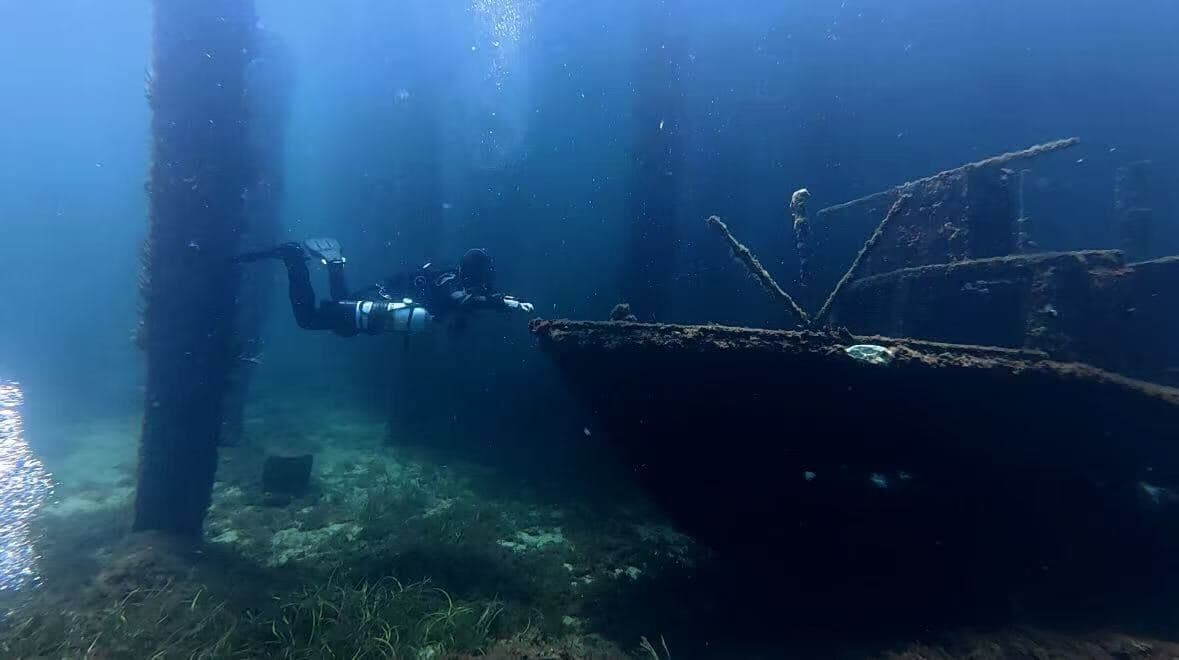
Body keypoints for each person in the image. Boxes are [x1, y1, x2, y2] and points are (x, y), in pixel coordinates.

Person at [236, 238, 534, 337]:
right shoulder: (450, 282)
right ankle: (294, 261)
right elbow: (462, 300)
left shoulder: (447, 276)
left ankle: (335, 263)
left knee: (342, 309)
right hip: (379, 306)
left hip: (377, 299)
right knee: (309, 320)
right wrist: (498, 303)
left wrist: (503, 300)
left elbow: (465, 303)